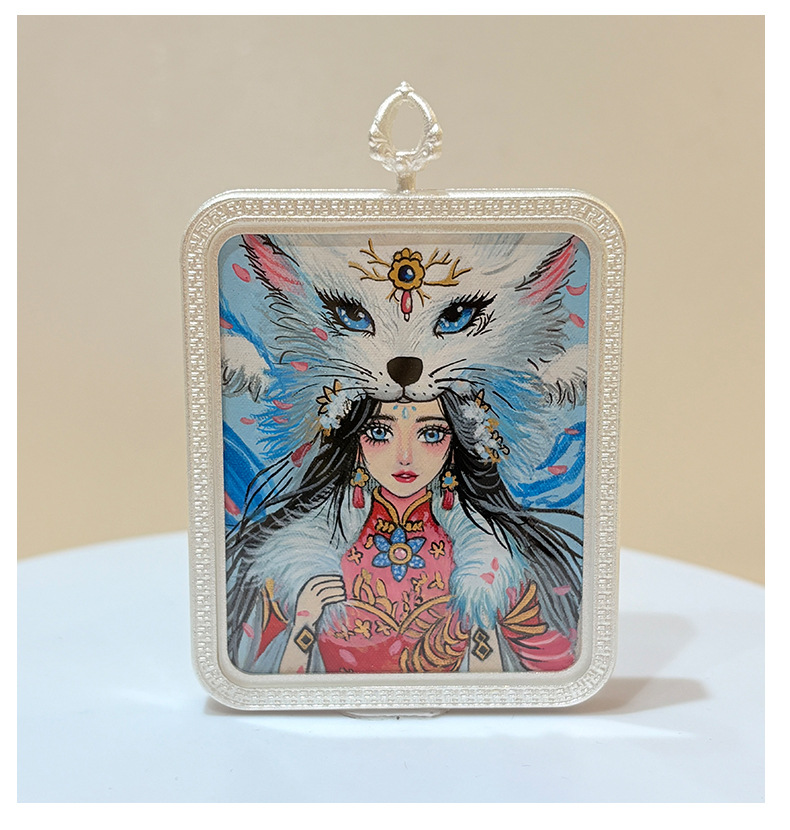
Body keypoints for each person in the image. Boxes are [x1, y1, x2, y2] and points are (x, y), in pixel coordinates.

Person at [226, 390, 582, 675]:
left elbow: (537, 670)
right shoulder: (299, 559)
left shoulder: (491, 561)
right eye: (380, 433)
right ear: (355, 443)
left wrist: (483, 619)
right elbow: (264, 674)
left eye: (431, 434)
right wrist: (303, 622)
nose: (405, 457)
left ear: (454, 446)